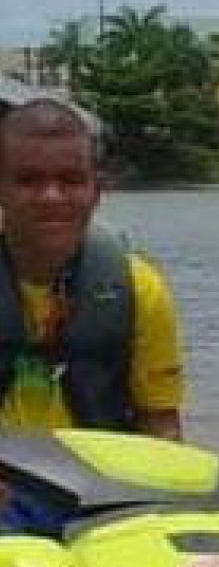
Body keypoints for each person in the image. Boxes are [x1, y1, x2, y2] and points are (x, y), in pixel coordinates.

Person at [0, 98, 184, 441]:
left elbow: (161, 426)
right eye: (28, 180)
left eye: (70, 180)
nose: (51, 197)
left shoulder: (140, 289)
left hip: (96, 488)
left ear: (96, 191)